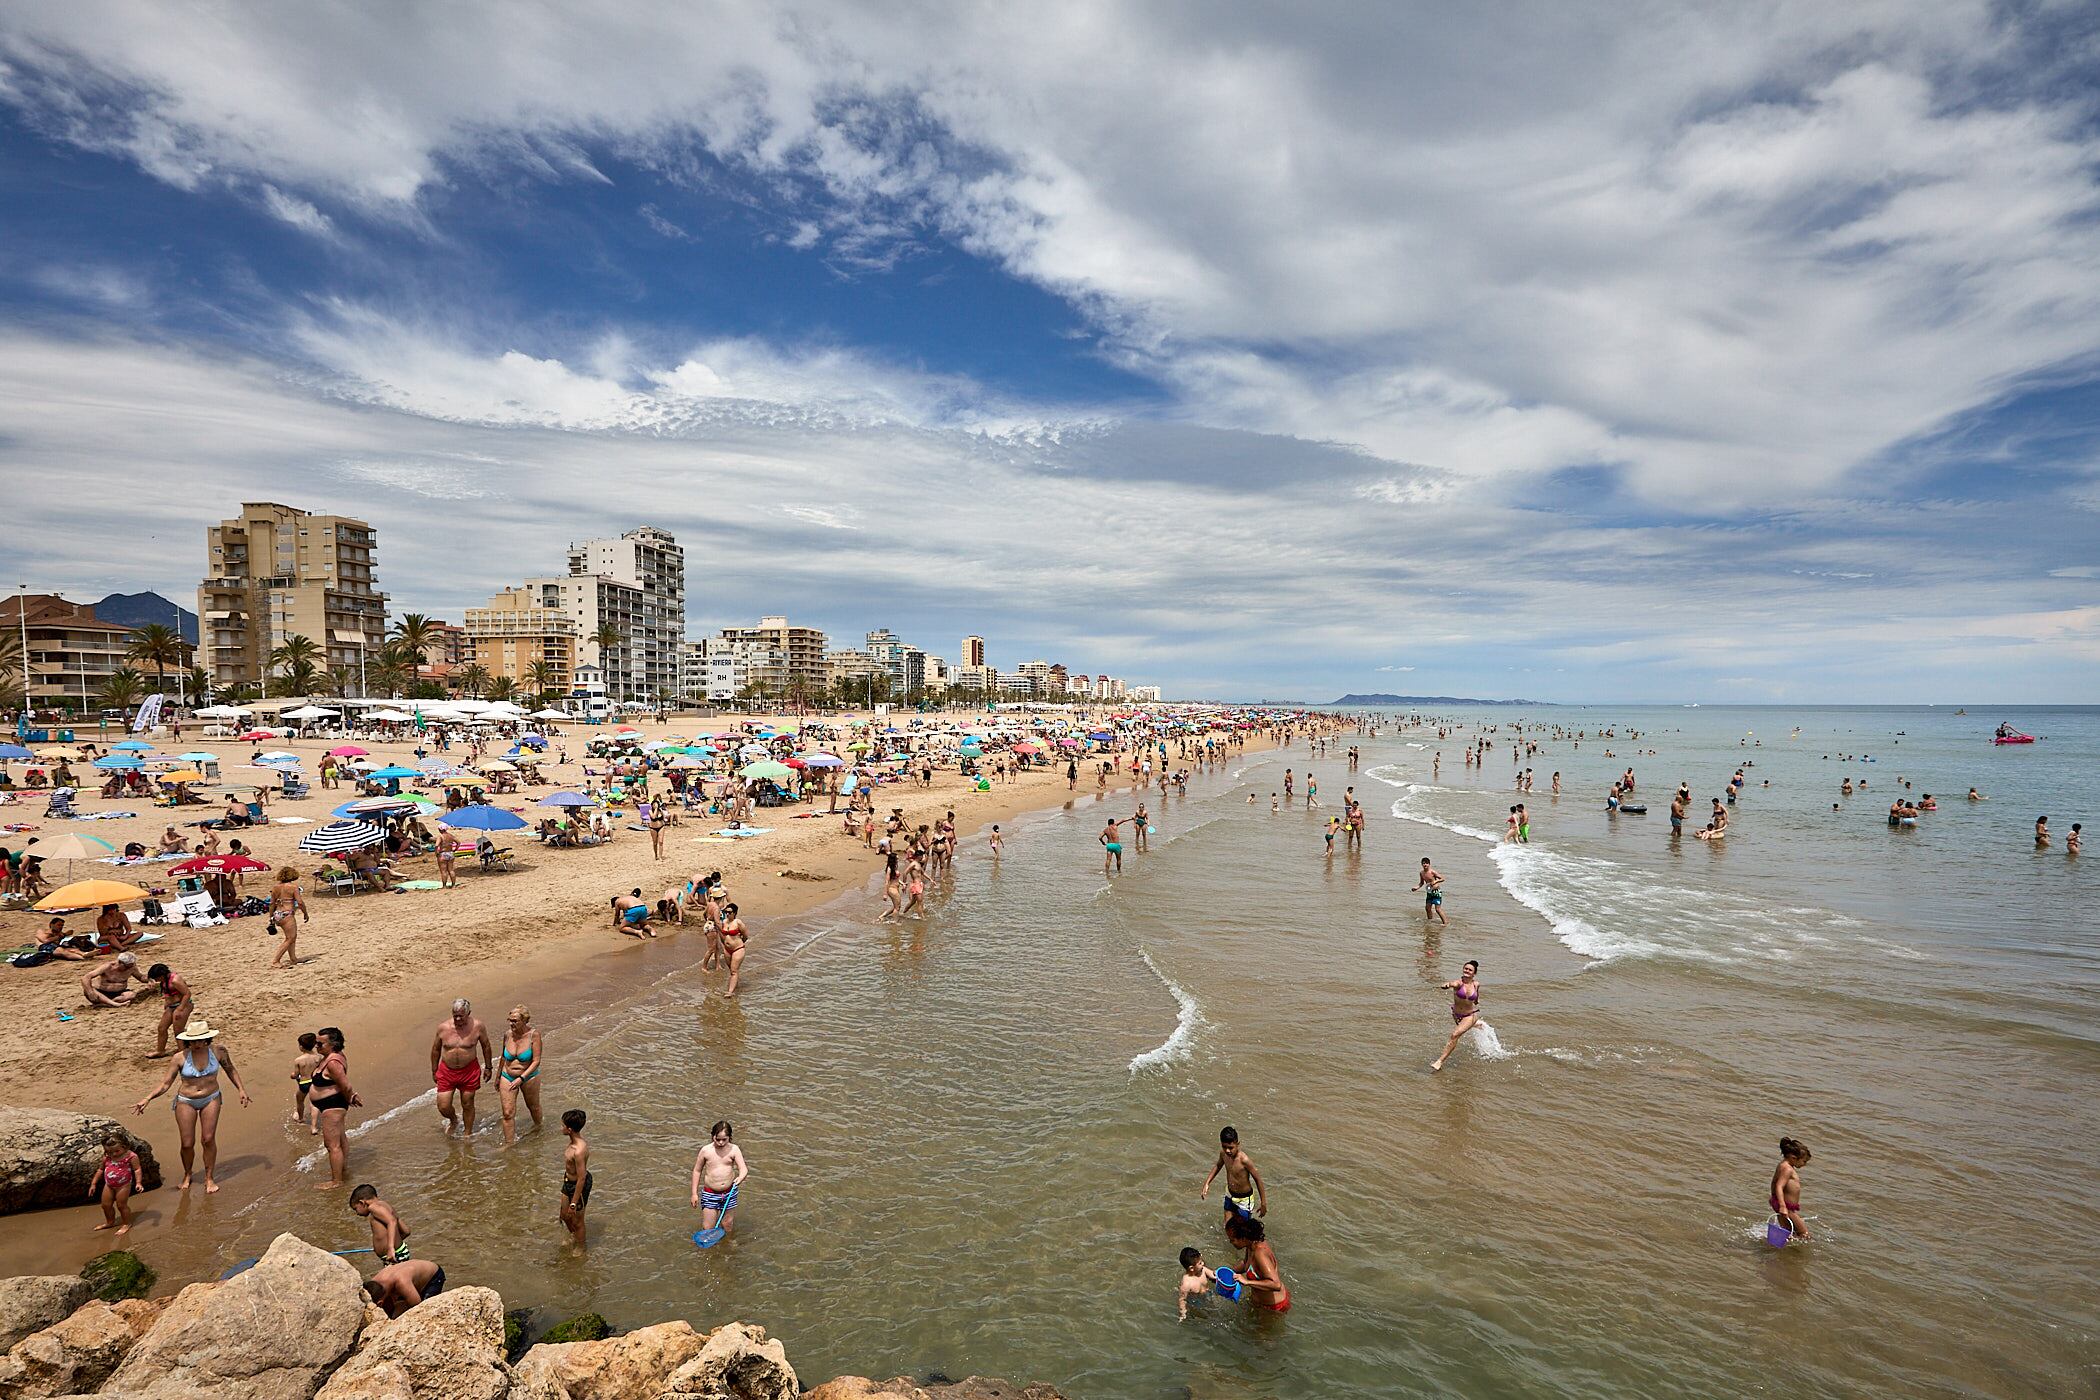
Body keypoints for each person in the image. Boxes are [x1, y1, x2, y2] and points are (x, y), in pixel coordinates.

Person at [133, 1017, 249, 1193]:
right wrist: (147, 1098)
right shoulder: (179, 1058)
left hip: (211, 1098)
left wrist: (241, 1090)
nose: (196, 1044)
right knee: (187, 1143)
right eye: (192, 1041)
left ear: (207, 1038)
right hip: (186, 1101)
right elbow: (166, 1083)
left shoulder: (219, 1051)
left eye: (199, 1040)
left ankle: (209, 1178)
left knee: (208, 1139)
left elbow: (230, 1069)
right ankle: (187, 1174)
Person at [431, 999, 495, 1137]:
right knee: (443, 1106)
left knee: (467, 1103)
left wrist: (489, 1067)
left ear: (468, 1013)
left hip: (469, 1070)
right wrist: (434, 1070)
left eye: (461, 1016)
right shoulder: (443, 1027)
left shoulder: (478, 1026)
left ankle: (467, 1133)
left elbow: (486, 1046)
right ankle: (454, 1120)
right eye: (455, 1016)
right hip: (447, 1071)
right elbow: (436, 1049)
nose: (458, 1019)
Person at [309, 1027, 360, 1190]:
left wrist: (351, 1096)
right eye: (316, 1042)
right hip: (331, 1104)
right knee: (340, 1138)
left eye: (320, 1043)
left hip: (333, 1105)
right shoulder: (330, 1057)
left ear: (333, 1044)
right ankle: (342, 1170)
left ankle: (336, 1181)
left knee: (332, 1145)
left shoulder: (333, 1062)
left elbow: (345, 1083)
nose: (316, 1046)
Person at [690, 1119, 748, 1239]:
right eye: (718, 1139)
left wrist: (740, 1177)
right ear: (712, 1136)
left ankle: (729, 1245)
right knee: (708, 1227)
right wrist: (694, 1194)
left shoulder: (734, 1149)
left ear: (729, 1138)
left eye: (724, 1139)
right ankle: (711, 1250)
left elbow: (743, 1169)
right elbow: (697, 1170)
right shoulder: (706, 1151)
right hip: (710, 1194)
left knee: (727, 1224)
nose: (721, 1142)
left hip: (729, 1193)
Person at [497, 1006, 544, 1145]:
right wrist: (498, 1076)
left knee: (533, 1107)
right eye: (510, 1020)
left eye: (515, 1021)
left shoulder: (534, 1035)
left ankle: (539, 1128)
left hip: (529, 1076)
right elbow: (503, 1057)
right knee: (507, 1113)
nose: (512, 1024)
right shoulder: (507, 1035)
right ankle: (509, 1144)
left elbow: (536, 1061)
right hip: (508, 1075)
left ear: (524, 1021)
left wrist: (521, 1078)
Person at [1224, 1215, 1289, 1313]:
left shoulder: (1260, 1253)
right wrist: (1229, 1272)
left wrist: (1247, 1282)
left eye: (1232, 1240)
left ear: (1243, 1238)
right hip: (1258, 1302)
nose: (1230, 1242)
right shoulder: (1251, 1245)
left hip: (1274, 1308)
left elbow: (1276, 1285)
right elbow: (1246, 1263)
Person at [1201, 1125, 1266, 1223]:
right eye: (1224, 1147)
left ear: (1237, 1144)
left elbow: (1258, 1180)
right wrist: (1207, 1183)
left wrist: (1263, 1203)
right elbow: (1218, 1166)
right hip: (1230, 1194)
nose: (1227, 1150)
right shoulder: (1223, 1154)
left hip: (1244, 1200)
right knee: (1228, 1227)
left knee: (1243, 1230)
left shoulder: (1244, 1160)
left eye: (1231, 1147)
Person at [1430, 960, 1482, 1072]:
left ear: (1474, 973)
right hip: (1456, 1014)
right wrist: (1446, 985)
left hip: (1470, 1015)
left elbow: (1476, 998)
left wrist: (1476, 1000)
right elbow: (1451, 984)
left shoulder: (1476, 984)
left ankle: (1439, 1062)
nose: (1467, 971)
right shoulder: (1458, 983)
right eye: (1465, 968)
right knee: (1459, 1032)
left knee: (1454, 1035)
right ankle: (1476, 1025)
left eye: (1470, 970)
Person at [89, 1134, 144, 1237]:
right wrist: (93, 1184)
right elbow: (100, 1170)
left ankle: (126, 1223)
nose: (113, 1154)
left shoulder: (131, 1156)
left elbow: (137, 1169)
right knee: (105, 1205)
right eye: (109, 1152)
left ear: (124, 1146)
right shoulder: (107, 1157)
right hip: (109, 1184)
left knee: (121, 1205)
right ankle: (110, 1222)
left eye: (116, 1151)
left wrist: (138, 1183)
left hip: (123, 1185)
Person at [364, 1257, 446, 1318]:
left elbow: (418, 1308)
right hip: (412, 1272)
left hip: (434, 1276)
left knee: (427, 1311)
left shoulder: (401, 1282)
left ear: (380, 1303)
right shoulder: (374, 1281)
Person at [349, 1183, 412, 1261]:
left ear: (362, 1203)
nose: (357, 1213)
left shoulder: (373, 1207)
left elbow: (392, 1222)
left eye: (356, 1209)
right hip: (399, 1252)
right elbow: (406, 1231)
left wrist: (390, 1248)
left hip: (394, 1254)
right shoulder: (385, 1206)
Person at [145, 964, 195, 1058]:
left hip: (183, 1005)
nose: (156, 980)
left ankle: (183, 1051)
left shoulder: (175, 980)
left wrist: (180, 1009)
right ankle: (160, 1050)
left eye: (156, 978)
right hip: (171, 1006)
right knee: (162, 1028)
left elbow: (187, 994)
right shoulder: (165, 980)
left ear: (161, 975)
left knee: (178, 1030)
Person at [559, 1109, 591, 1245]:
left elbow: (582, 1178)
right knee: (564, 1216)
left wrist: (574, 1202)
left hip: (578, 1186)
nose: (561, 1128)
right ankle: (575, 1237)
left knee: (578, 1222)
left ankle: (580, 1246)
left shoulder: (578, 1150)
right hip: (568, 1182)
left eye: (563, 1125)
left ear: (570, 1129)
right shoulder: (572, 1142)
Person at [1770, 1137, 1812, 1242]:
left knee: (1788, 1233)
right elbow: (1779, 1186)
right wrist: (1783, 1206)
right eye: (1804, 1161)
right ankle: (1787, 1252)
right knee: (1805, 1234)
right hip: (1786, 1208)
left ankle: (1779, 1250)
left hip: (1784, 1206)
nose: (1804, 1164)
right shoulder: (1787, 1169)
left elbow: (1774, 1184)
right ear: (1793, 1158)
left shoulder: (1784, 1165)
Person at [268, 867, 309, 969]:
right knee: (290, 938)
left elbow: (272, 903)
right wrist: (305, 913)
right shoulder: (293, 887)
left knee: (292, 937)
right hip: (287, 914)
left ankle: (293, 958)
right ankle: (276, 961)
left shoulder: (275, 888)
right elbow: (300, 902)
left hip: (277, 914)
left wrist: (271, 917)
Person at [81, 951, 148, 1007]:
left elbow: (141, 978)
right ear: (120, 962)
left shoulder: (132, 968)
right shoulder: (108, 967)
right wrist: (90, 992)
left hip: (119, 993)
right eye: (127, 967)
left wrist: (152, 977)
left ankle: (108, 1003)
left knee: (131, 995)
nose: (128, 969)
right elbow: (86, 977)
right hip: (101, 992)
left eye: (130, 966)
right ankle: (115, 1004)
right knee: (88, 990)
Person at [290, 1031, 323, 1133]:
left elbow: (295, 1074)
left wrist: (292, 1076)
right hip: (315, 1082)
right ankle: (313, 1127)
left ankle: (300, 1118)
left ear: (301, 1046)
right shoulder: (319, 1057)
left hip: (304, 1083)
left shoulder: (299, 1060)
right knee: (314, 1103)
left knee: (299, 1100)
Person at [1176, 1246, 1217, 1321]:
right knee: (1199, 1316)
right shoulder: (1186, 1284)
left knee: (1213, 1313)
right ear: (1191, 1268)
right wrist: (1183, 1313)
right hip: (1196, 1302)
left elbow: (1214, 1276)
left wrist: (1219, 1275)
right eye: (1200, 1263)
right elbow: (1182, 1299)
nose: (1203, 1263)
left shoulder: (1203, 1270)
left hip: (1208, 1295)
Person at [718, 903, 750, 997]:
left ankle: (730, 992)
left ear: (734, 913)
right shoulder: (724, 921)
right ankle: (736, 984)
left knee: (734, 971)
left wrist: (738, 943)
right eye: (726, 912)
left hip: (738, 949)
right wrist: (725, 944)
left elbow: (746, 936)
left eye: (729, 912)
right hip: (727, 949)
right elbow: (723, 935)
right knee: (731, 970)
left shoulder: (738, 922)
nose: (727, 914)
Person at [1413, 858, 1447, 924]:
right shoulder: (1422, 873)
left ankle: (1445, 923)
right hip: (1429, 892)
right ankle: (1430, 921)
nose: (1425, 864)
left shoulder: (1432, 872)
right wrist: (1416, 888)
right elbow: (1421, 883)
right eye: (1423, 863)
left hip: (1436, 892)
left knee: (1437, 909)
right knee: (1427, 908)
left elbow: (1443, 878)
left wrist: (1436, 881)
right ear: (1421, 864)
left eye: (1426, 863)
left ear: (1429, 864)